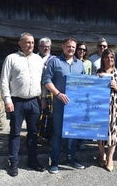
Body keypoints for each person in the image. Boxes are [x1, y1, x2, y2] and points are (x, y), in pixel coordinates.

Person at [0, 32, 45, 177]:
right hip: (17, 102)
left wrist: (43, 98)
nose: (30, 45)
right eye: (27, 42)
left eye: (32, 42)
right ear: (20, 43)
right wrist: (7, 100)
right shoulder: (11, 58)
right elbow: (4, 81)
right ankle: (13, 163)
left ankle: (32, 160)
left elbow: (43, 81)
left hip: (34, 101)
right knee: (15, 133)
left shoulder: (39, 59)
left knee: (33, 133)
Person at [42, 37, 86, 174]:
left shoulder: (80, 64)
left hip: (75, 106)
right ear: (63, 47)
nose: (71, 49)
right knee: (57, 133)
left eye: (73, 47)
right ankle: (54, 162)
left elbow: (85, 82)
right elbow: (46, 80)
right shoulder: (54, 62)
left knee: (72, 133)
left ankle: (71, 158)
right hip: (60, 104)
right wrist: (57, 93)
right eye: (69, 46)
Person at [96, 48, 117, 172]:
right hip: (100, 107)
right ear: (103, 59)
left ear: (114, 59)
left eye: (111, 57)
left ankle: (110, 158)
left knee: (113, 132)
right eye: (107, 57)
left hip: (115, 107)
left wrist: (116, 87)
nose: (109, 59)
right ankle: (101, 154)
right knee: (100, 131)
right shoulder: (98, 73)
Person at [75, 42, 92, 149]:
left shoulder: (88, 63)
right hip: (74, 92)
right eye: (80, 49)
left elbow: (90, 77)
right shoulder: (73, 61)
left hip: (85, 92)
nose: (82, 51)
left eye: (84, 50)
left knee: (83, 118)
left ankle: (81, 141)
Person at [38, 37, 55, 141]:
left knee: (47, 115)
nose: (46, 49)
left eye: (48, 47)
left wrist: (43, 97)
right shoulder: (34, 57)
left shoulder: (53, 60)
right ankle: (36, 135)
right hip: (34, 91)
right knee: (36, 115)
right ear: (39, 47)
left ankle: (47, 137)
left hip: (47, 93)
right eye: (44, 47)